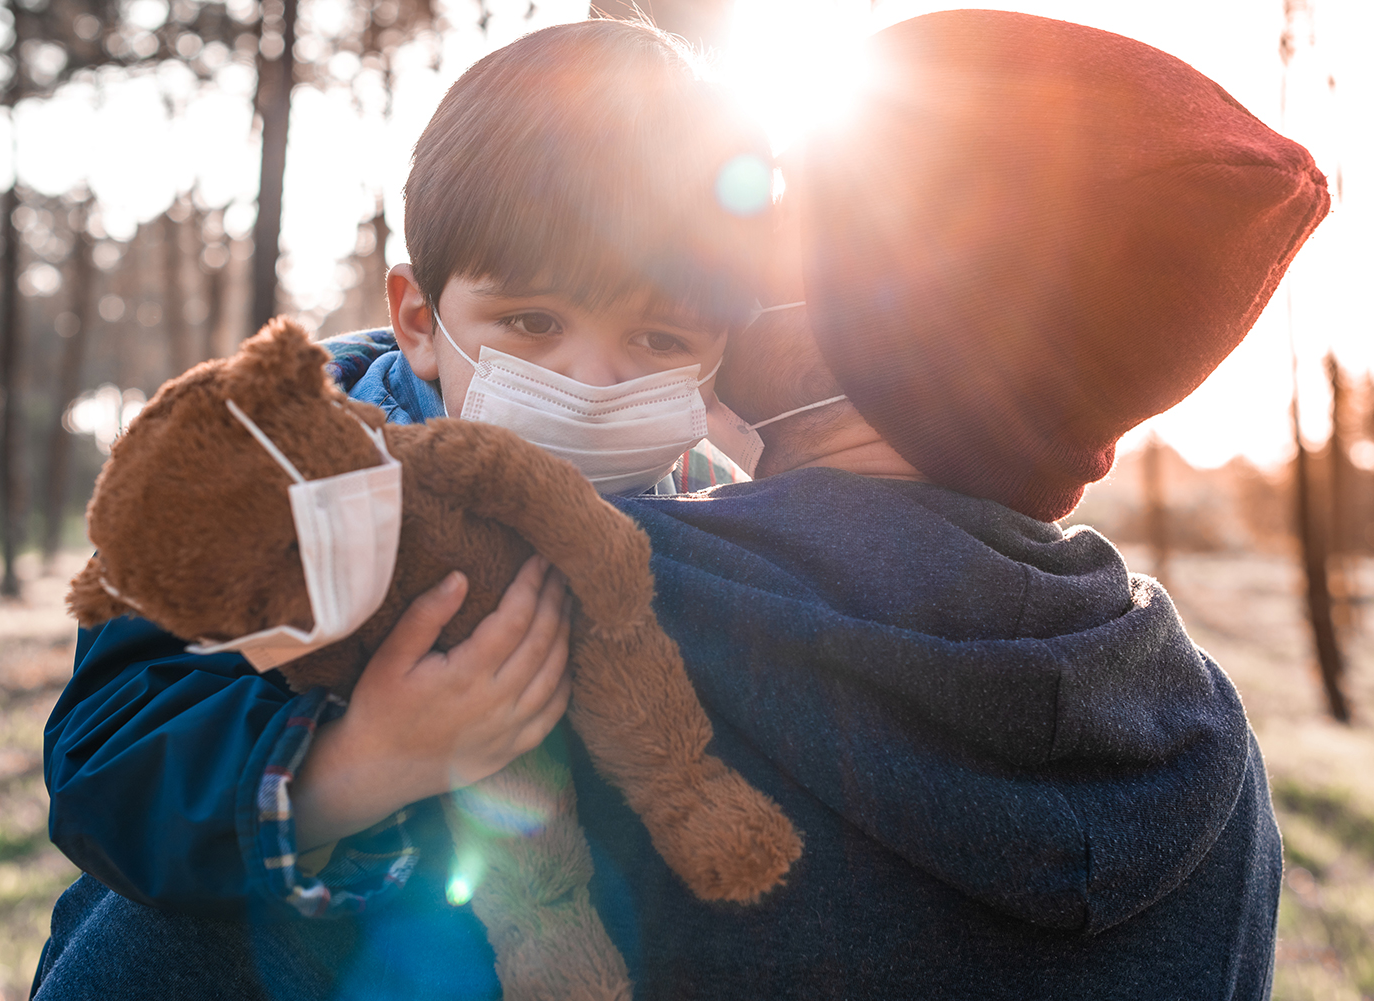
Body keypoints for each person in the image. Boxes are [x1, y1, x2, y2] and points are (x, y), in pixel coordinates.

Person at [564, 10, 1330, 999]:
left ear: (881, 308)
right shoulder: (1213, 749)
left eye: (791, 202)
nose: (730, 242)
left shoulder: (606, 603)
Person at [31, 19, 768, 1000]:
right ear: (422, 320)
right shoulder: (261, 476)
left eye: (660, 335)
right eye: (535, 322)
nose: (593, 380)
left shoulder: (708, 515)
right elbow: (107, 760)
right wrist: (359, 758)